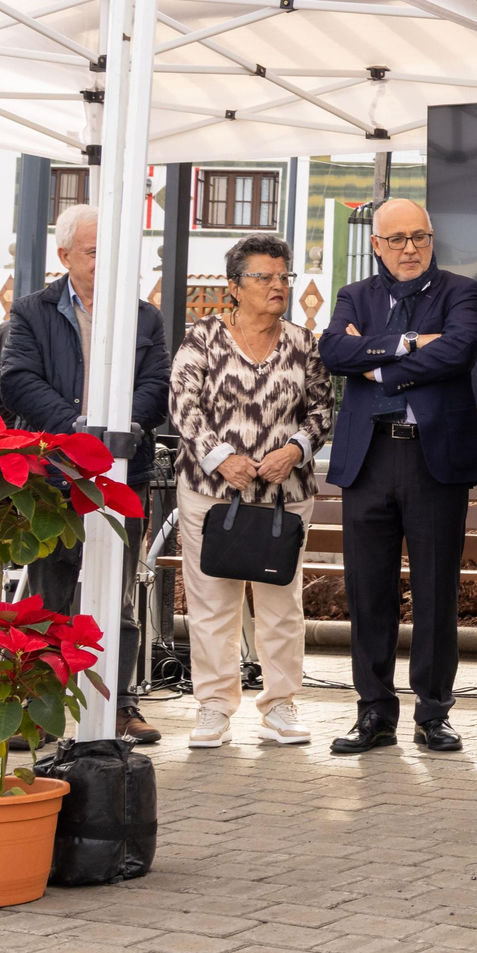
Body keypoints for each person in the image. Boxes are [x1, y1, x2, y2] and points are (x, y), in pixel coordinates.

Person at [318, 199, 477, 755]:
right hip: (367, 460)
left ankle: (434, 713)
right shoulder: (354, 295)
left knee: (436, 590)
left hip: (432, 459)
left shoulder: (462, 292)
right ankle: (373, 713)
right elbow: (332, 351)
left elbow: (458, 351)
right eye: (396, 239)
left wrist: (374, 365)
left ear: (433, 238)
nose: (409, 248)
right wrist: (411, 344)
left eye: (419, 237)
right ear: (377, 245)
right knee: (369, 591)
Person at [0, 204, 171, 745]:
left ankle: (118, 705)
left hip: (124, 472)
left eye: (114, 253)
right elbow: (18, 380)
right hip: (51, 476)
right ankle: (38, 709)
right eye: (95, 253)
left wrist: (119, 428)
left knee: (117, 595)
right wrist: (77, 431)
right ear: (65, 256)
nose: (106, 263)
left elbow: (158, 382)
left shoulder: (143, 316)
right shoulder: (32, 311)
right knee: (48, 596)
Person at [168, 235, 333, 749]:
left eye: (282, 276)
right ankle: (214, 707)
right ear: (235, 286)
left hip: (285, 494)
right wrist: (222, 458)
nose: (278, 285)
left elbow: (324, 410)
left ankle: (280, 705)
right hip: (212, 493)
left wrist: (296, 449)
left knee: (281, 604)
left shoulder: (305, 344)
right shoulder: (202, 339)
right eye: (265, 277)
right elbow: (183, 405)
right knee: (212, 602)